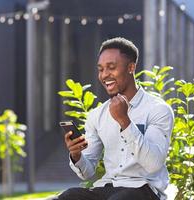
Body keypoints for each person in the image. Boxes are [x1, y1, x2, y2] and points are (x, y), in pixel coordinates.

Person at [57, 37, 174, 200]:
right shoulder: (97, 115)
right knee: (66, 197)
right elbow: (87, 172)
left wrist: (124, 121)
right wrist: (76, 155)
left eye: (111, 68)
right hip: (107, 188)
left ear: (131, 67)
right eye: (100, 69)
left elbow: (153, 165)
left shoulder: (158, 109)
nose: (104, 75)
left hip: (144, 189)